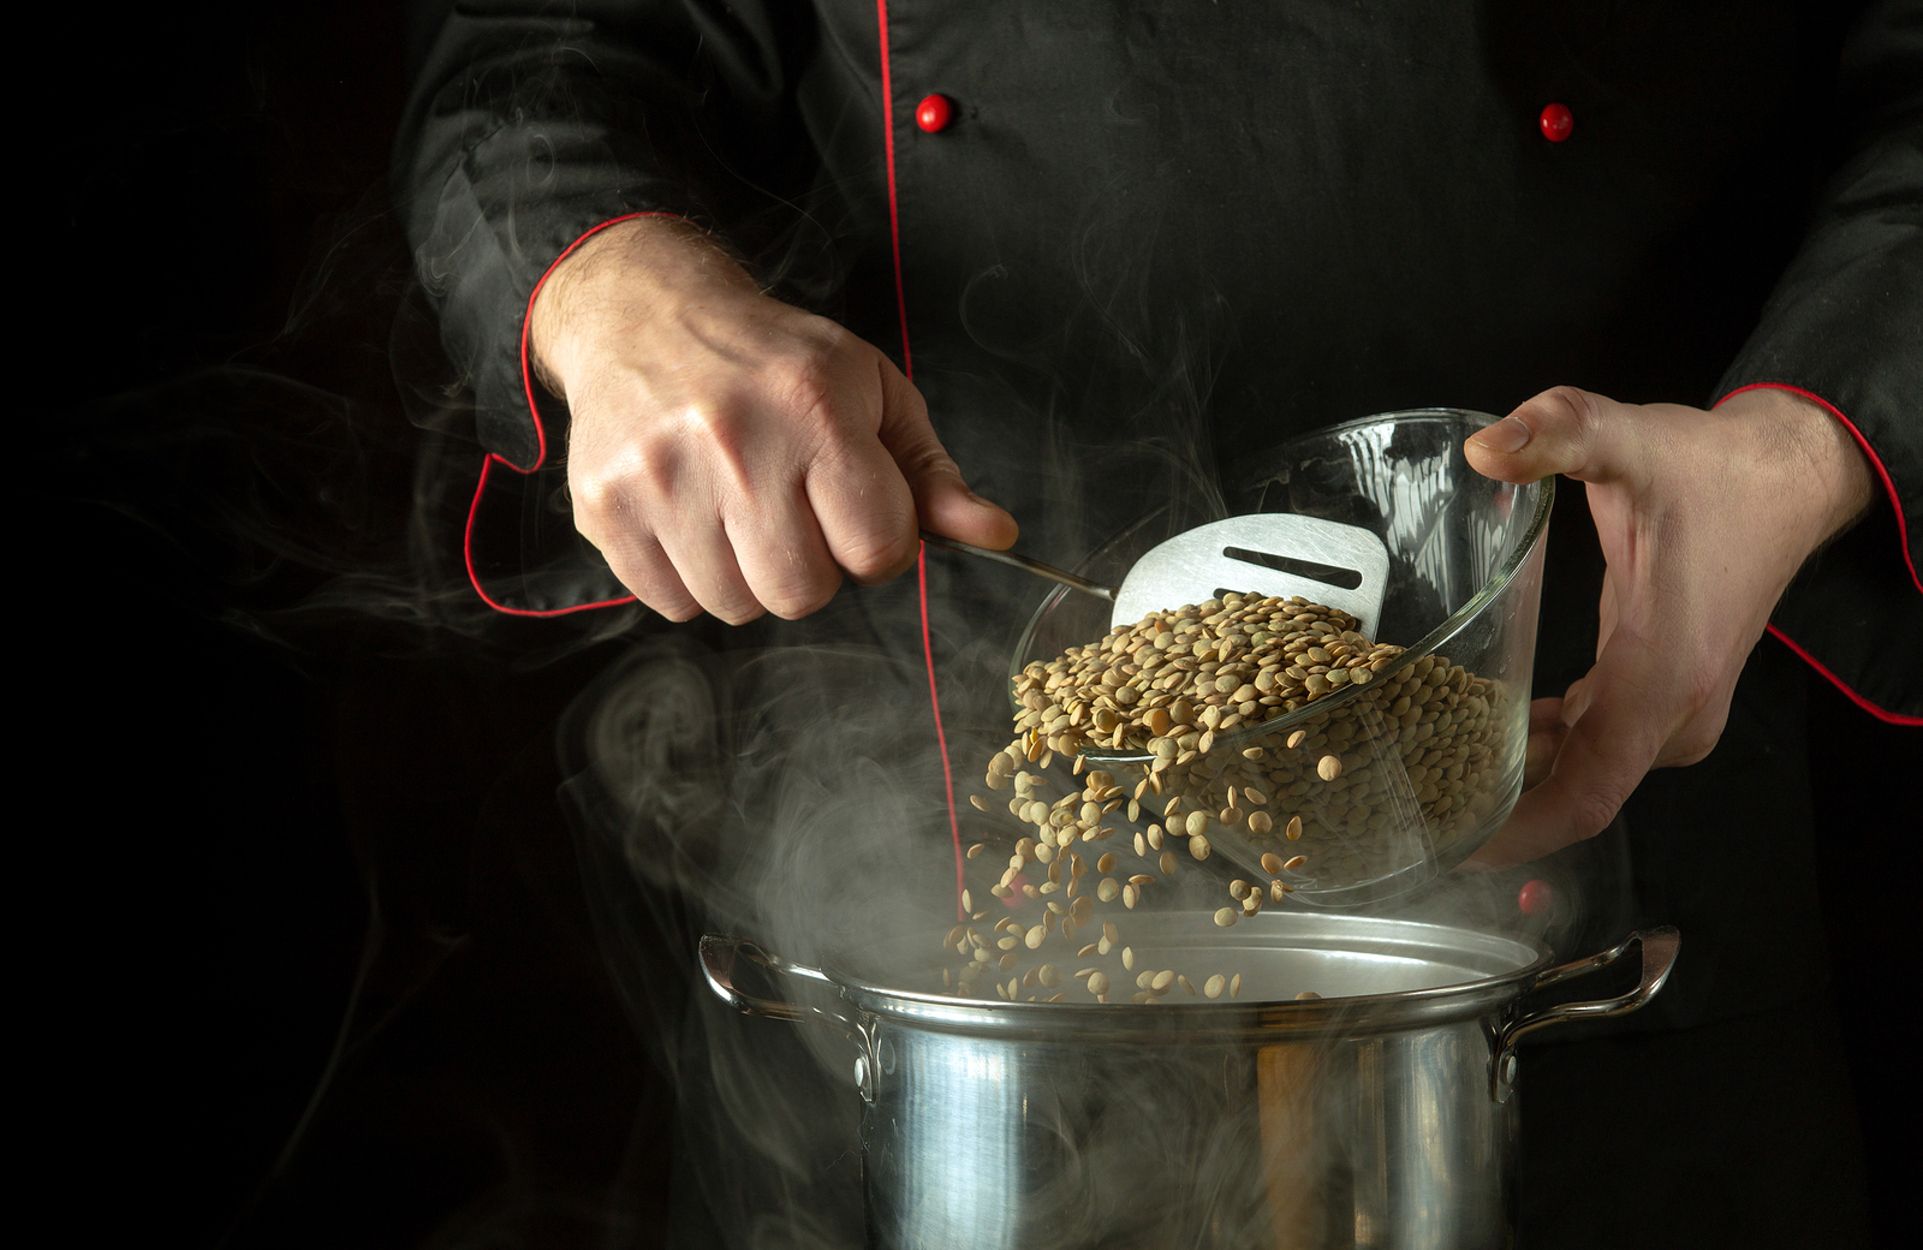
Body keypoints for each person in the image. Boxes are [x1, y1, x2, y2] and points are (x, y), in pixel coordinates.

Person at [395, 2, 1919, 1245]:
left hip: (1610, 956)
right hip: (936, 1011)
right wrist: (619, 292)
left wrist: (1804, 441)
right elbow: (529, 50)